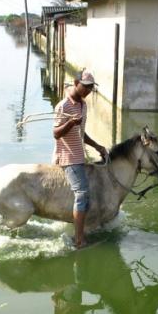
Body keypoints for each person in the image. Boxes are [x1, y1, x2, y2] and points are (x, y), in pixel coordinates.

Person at [53, 69, 108, 248]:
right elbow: (56, 133)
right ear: (76, 83)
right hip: (68, 156)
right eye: (85, 87)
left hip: (79, 155)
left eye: (90, 88)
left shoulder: (83, 105)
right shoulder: (63, 106)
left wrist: (97, 146)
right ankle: (78, 240)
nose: (87, 91)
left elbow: (81, 134)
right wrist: (70, 123)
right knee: (83, 194)